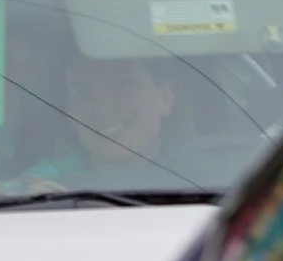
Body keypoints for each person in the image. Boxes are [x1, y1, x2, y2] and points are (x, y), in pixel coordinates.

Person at [29, 53, 180, 186]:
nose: (102, 109)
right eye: (82, 94)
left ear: (166, 98)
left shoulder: (199, 182)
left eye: (123, 85)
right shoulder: (35, 188)